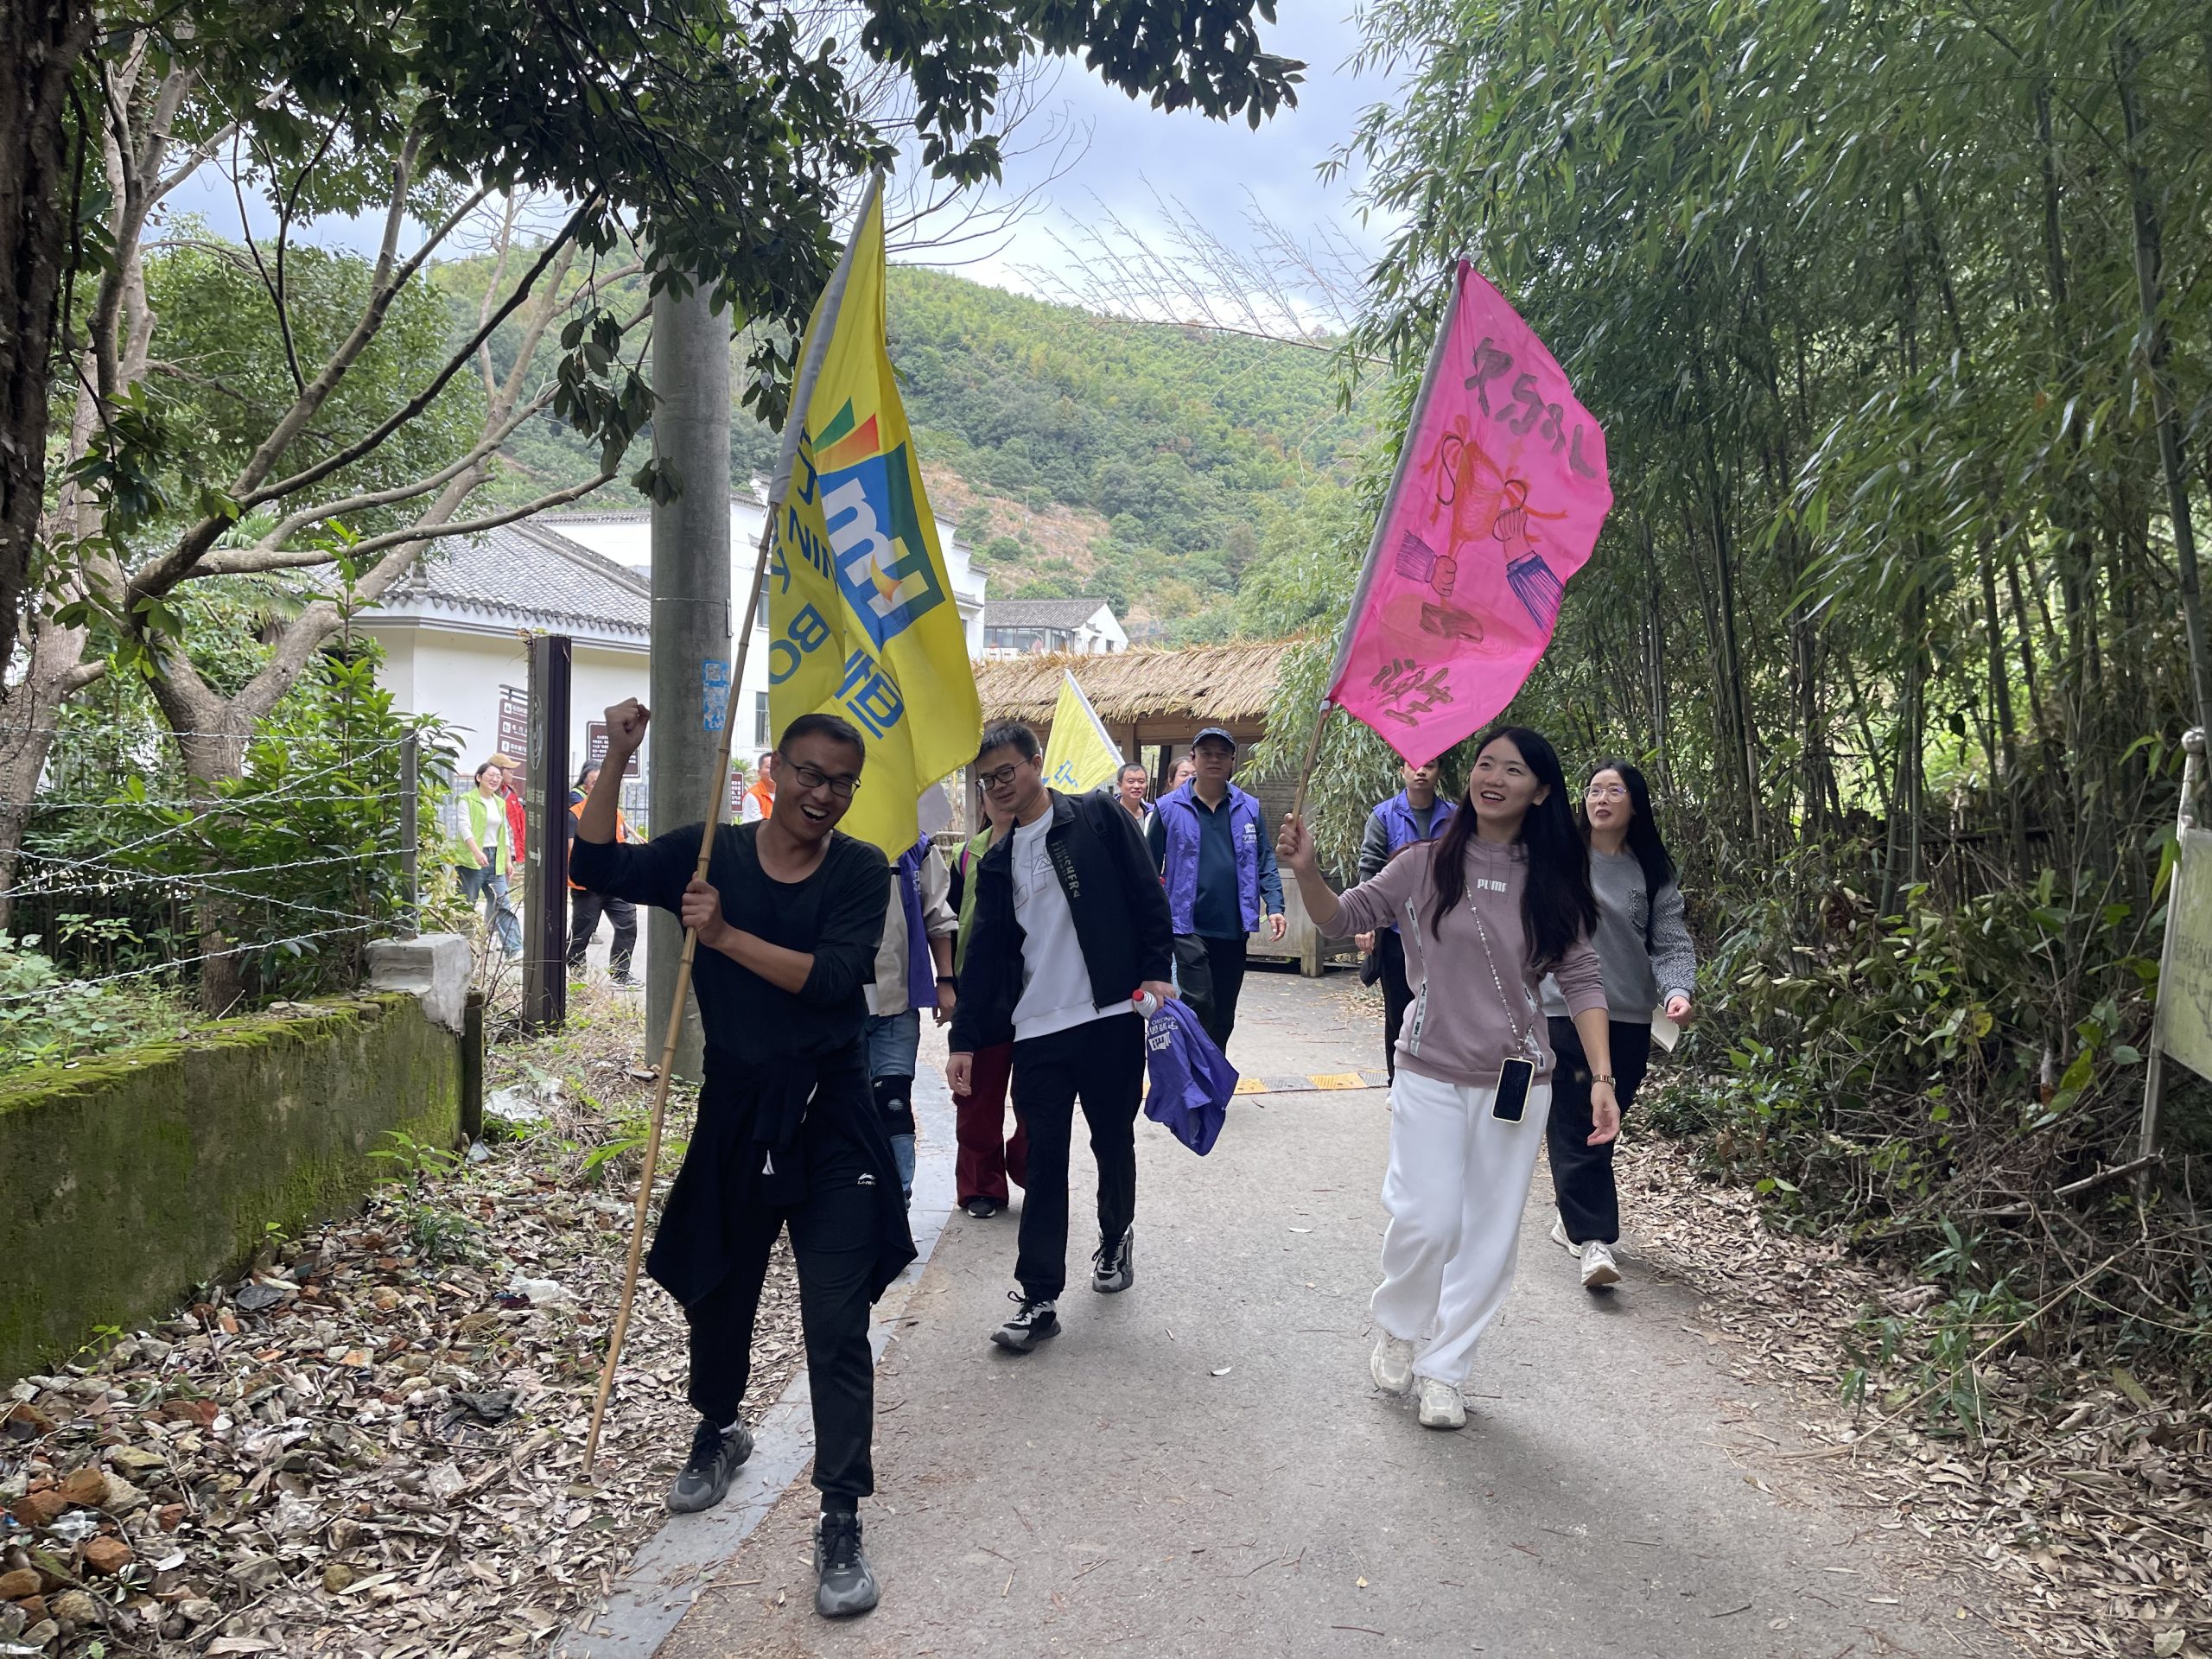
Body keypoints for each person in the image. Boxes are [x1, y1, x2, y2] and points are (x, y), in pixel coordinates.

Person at [570, 702, 906, 1619]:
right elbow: (595, 867)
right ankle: (719, 1428)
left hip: (830, 1114)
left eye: (842, 782)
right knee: (719, 1285)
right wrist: (617, 756)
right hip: (737, 1110)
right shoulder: (708, 852)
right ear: (775, 770)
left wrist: (721, 938)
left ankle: (840, 1514)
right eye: (810, 773)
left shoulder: (859, 868)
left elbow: (834, 978)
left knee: (835, 1320)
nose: (824, 794)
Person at [1276, 726, 1618, 1432]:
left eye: (1514, 770)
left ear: (1541, 792)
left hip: (1517, 1081)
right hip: (1429, 1067)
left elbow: (1582, 978)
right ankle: (1400, 1326)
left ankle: (1447, 1370)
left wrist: (1603, 1078)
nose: (1494, 777)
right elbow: (1344, 917)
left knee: (1490, 1235)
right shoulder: (1424, 863)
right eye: (1486, 764)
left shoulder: (1555, 878)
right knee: (1426, 1217)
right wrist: (1308, 871)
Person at [948, 722, 1175, 1355]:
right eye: (987, 779)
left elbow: (1146, 895)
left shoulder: (1096, 816)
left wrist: (1156, 969)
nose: (999, 786)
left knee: (1112, 1140)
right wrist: (964, 1040)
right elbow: (984, 957)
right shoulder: (995, 859)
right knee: (1044, 1159)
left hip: (1109, 1016)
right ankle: (1038, 1296)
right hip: (1038, 1030)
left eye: (1007, 771)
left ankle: (1116, 1235)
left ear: (1036, 762)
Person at [1542, 759, 1696, 1290]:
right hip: (1562, 1009)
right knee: (1574, 1119)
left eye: (1614, 791)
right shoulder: (1559, 856)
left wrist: (1677, 990)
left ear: (1635, 804)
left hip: (1628, 1015)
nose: (1601, 799)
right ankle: (1594, 1239)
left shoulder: (1651, 871)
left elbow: (1671, 943)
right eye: (1593, 790)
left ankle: (1570, 1214)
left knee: (1605, 1120)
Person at [1147, 727, 1285, 1053]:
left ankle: (1213, 1073)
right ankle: (1195, 1071)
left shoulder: (1249, 807)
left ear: (1232, 760)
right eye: (1206, 753)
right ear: (1193, 758)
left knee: (1224, 1013)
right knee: (1198, 1001)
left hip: (1233, 925)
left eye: (1222, 754)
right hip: (1186, 924)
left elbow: (1264, 858)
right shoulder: (1168, 808)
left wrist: (1275, 905)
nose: (1214, 760)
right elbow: (1147, 867)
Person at [865, 830, 958, 1206]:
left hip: (896, 1001)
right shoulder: (818, 838)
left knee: (893, 1102)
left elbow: (938, 915)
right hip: (833, 1005)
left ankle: (898, 1199)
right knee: (846, 1106)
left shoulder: (915, 846)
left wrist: (946, 980)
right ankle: (856, 1202)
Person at [946, 796, 1027, 1218]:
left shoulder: (1047, 847)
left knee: (1038, 1095)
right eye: (992, 787)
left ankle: (1030, 1166)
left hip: (1037, 987)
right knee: (977, 1097)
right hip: (979, 988)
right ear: (982, 798)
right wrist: (948, 983)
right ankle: (982, 1185)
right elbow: (948, 922)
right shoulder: (966, 855)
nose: (1002, 797)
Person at [1356, 760, 1456, 1084]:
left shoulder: (1455, 818)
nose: (1421, 771)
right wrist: (1366, 920)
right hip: (1397, 931)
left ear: (1439, 772)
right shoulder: (1384, 815)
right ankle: (1397, 1081)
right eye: (1413, 765)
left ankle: (1434, 1079)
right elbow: (1370, 868)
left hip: (1443, 932)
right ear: (1402, 771)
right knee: (1398, 1009)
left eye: (1430, 765)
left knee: (1442, 1009)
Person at [566, 762, 638, 984]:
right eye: (595, 783)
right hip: (587, 885)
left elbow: (622, 845)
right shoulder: (574, 814)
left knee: (628, 923)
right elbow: (574, 849)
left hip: (615, 882)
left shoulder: (616, 814)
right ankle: (577, 974)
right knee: (582, 932)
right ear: (586, 788)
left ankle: (620, 974)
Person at [456, 760, 522, 958]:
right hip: (472, 860)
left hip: (496, 860)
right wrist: (477, 852)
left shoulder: (499, 802)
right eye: (491, 775)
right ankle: (465, 949)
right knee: (466, 905)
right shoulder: (466, 800)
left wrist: (508, 860)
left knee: (503, 903)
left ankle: (514, 949)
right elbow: (464, 827)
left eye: (498, 777)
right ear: (479, 778)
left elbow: (505, 833)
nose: (495, 779)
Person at [741, 750, 777, 823]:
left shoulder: (787, 793)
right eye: (769, 767)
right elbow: (754, 826)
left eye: (777, 767)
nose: (774, 770)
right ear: (759, 772)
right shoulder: (752, 795)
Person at [1114, 761, 1151, 831]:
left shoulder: (1152, 813)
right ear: (1120, 785)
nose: (1137, 786)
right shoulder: (1109, 812)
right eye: (1131, 782)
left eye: (1141, 782)